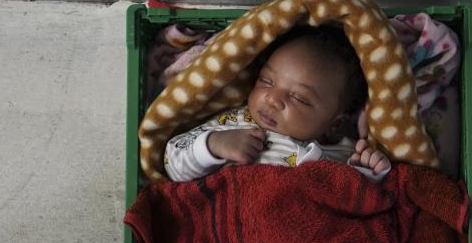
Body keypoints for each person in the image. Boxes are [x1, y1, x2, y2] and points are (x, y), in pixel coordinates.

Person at [164, 25, 391, 182]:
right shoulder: (235, 123)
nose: (272, 99)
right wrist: (213, 145)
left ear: (336, 122)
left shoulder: (344, 152)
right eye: (266, 81)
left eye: (299, 98)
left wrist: (370, 172)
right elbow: (172, 162)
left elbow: (358, 201)